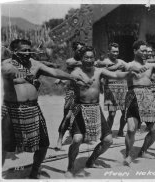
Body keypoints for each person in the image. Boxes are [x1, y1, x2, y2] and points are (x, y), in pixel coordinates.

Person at [2, 39, 84, 179]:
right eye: (24, 50)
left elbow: (54, 71)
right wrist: (22, 70)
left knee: (43, 144)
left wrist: (71, 77)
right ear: (14, 52)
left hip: (33, 109)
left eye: (29, 49)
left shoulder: (34, 63)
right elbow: (7, 71)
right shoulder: (7, 65)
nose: (28, 52)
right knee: (4, 146)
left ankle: (34, 171)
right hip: (12, 109)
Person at [65, 46, 134, 177]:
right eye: (86, 57)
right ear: (81, 59)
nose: (89, 60)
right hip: (80, 109)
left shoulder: (99, 71)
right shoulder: (76, 72)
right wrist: (78, 83)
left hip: (96, 109)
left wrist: (128, 74)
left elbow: (115, 74)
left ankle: (91, 161)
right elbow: (71, 82)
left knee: (108, 140)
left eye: (92, 57)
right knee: (77, 139)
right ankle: (70, 167)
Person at [55, 41, 85, 150]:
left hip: (83, 91)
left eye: (82, 49)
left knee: (82, 115)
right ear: (74, 50)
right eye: (79, 49)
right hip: (72, 91)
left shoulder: (86, 60)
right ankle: (60, 139)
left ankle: (78, 134)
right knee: (67, 116)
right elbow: (67, 71)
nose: (81, 51)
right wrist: (61, 79)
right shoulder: (70, 61)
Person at [101, 43, 128, 137]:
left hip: (122, 89)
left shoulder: (121, 62)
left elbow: (129, 67)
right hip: (110, 89)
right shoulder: (104, 62)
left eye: (117, 51)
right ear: (108, 52)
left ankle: (121, 131)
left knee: (125, 113)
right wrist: (114, 67)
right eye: (114, 51)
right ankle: (108, 132)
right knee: (112, 113)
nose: (116, 53)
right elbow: (99, 72)